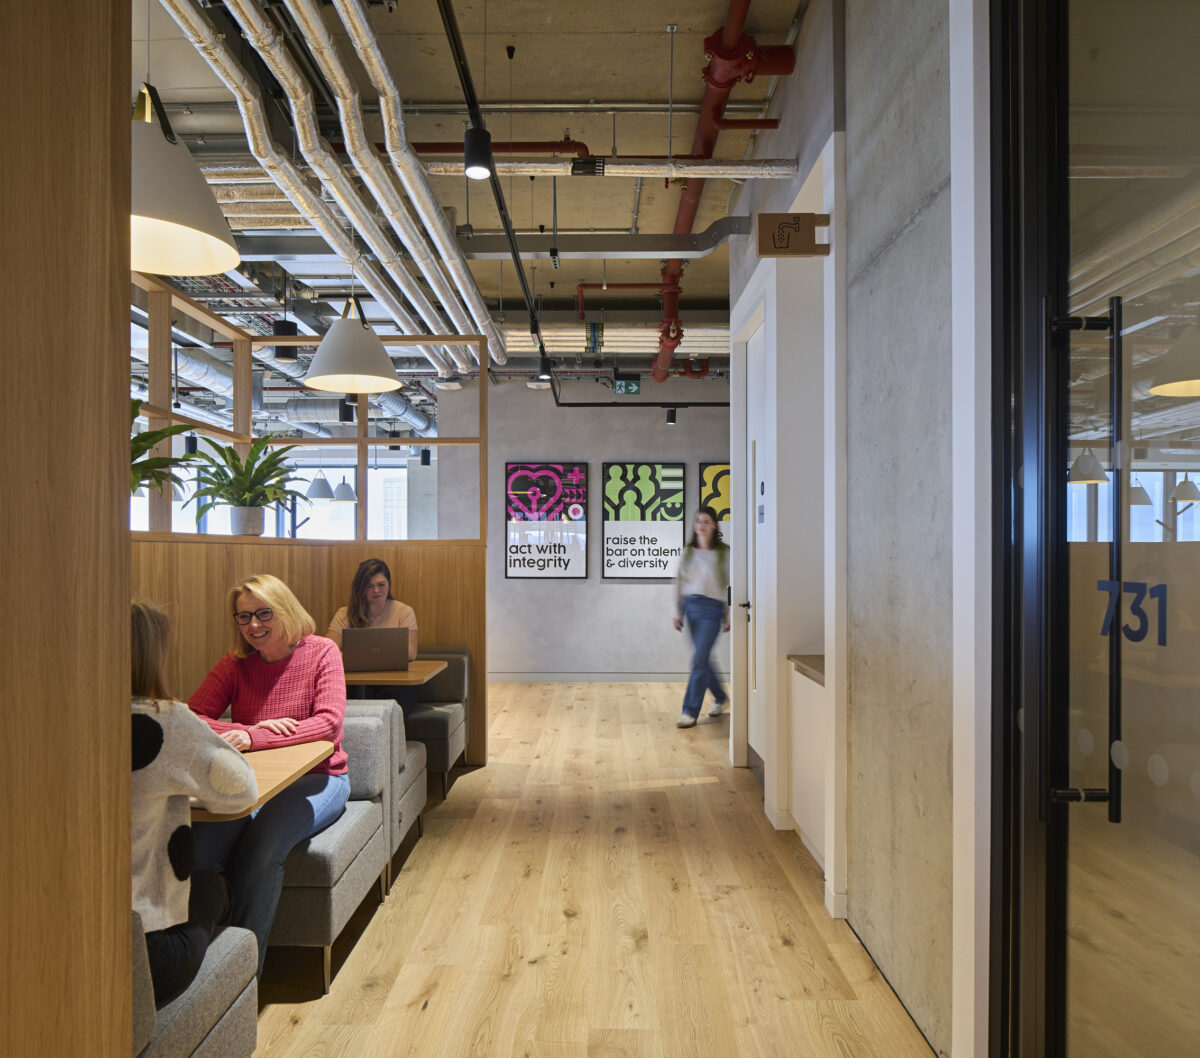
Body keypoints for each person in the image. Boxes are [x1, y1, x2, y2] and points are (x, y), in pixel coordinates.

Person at [188, 573, 349, 978]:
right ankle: (202, 964)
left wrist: (255, 737)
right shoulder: (235, 663)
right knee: (200, 849)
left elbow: (328, 725)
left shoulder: (322, 652)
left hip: (320, 779)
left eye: (264, 614)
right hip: (251, 781)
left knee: (262, 847)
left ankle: (243, 979)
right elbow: (191, 717)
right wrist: (239, 733)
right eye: (243, 617)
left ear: (286, 610)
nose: (254, 626)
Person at [130, 601, 258, 1008]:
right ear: (153, 655)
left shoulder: (49, 721)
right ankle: (249, 985)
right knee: (213, 885)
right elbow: (242, 790)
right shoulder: (164, 719)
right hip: (148, 956)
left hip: (56, 943)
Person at [672, 506, 731, 728]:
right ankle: (721, 697)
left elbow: (728, 585)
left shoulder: (724, 553)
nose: (701, 525)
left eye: (706, 521)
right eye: (698, 521)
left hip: (712, 610)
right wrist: (677, 613)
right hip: (690, 608)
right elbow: (680, 583)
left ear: (714, 525)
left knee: (698, 660)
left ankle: (689, 711)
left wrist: (729, 614)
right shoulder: (688, 551)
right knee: (702, 659)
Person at [325, 558, 419, 661]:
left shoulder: (404, 612)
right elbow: (328, 651)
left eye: (381, 585)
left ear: (389, 584)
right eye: (369, 586)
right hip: (354, 676)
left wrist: (360, 656)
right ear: (360, 588)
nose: (376, 590)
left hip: (393, 675)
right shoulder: (344, 614)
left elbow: (411, 653)